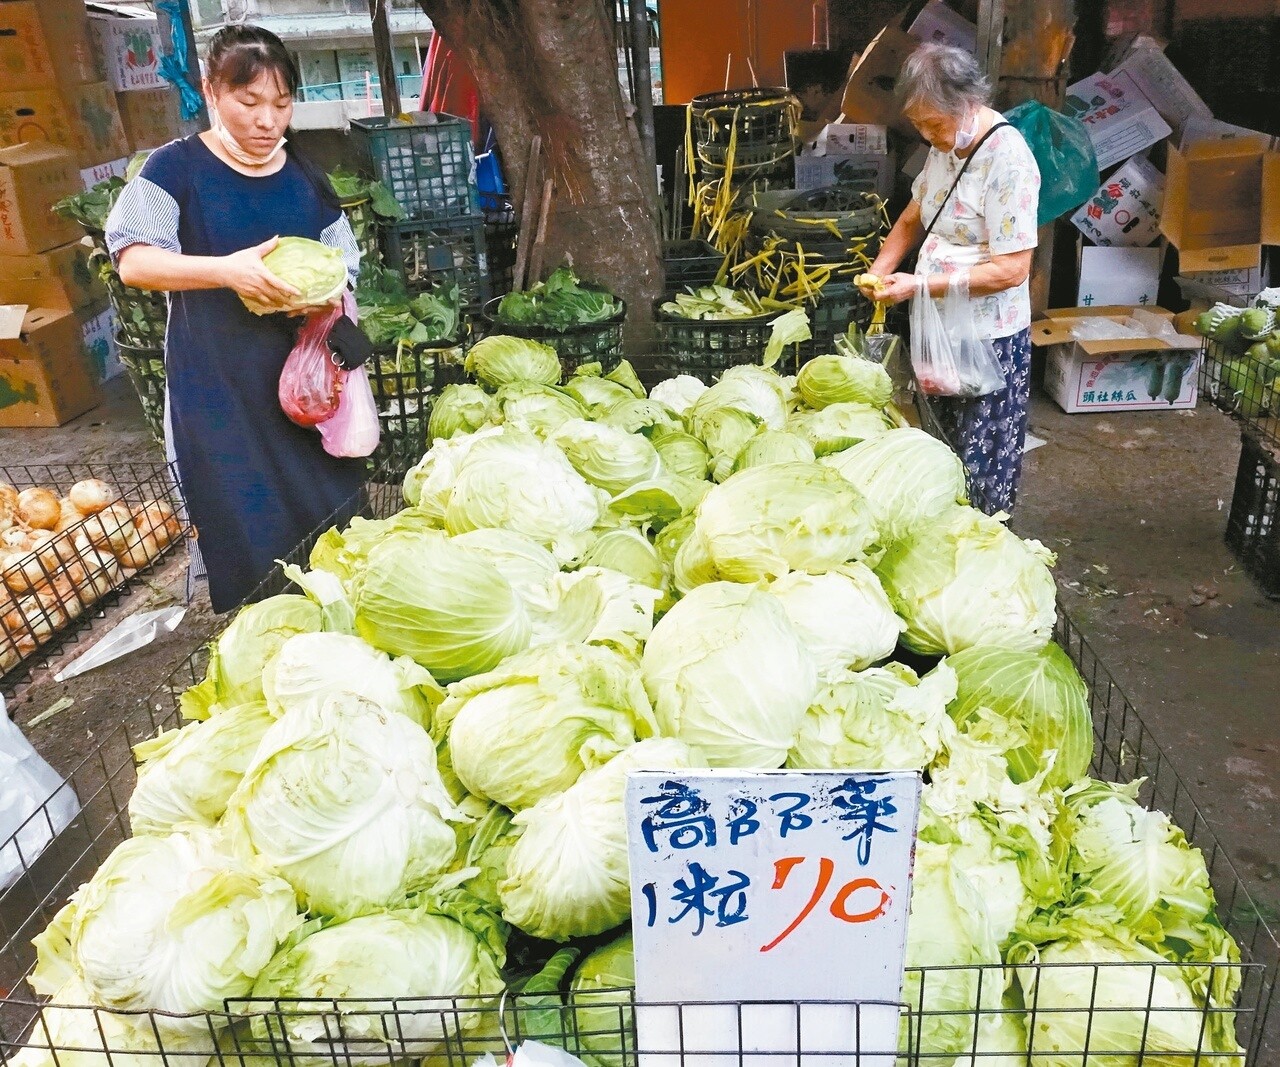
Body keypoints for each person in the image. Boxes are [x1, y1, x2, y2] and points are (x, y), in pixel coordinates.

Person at [105, 25, 365, 613]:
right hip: (217, 381)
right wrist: (228, 272)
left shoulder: (303, 174)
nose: (267, 121)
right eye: (248, 102)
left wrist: (324, 293)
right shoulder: (174, 169)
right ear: (212, 92)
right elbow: (135, 260)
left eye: (281, 104)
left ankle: (343, 618)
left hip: (305, 382)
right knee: (248, 515)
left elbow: (344, 259)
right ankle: (268, 633)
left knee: (329, 508)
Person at [857, 43, 1040, 515]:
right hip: (939, 328)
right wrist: (879, 272)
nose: (926, 135)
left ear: (968, 104)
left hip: (987, 336)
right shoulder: (944, 147)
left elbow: (1012, 270)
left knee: (983, 455)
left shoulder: (1008, 160)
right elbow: (911, 219)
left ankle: (987, 541)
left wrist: (917, 285)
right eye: (918, 124)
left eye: (933, 124)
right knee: (940, 445)